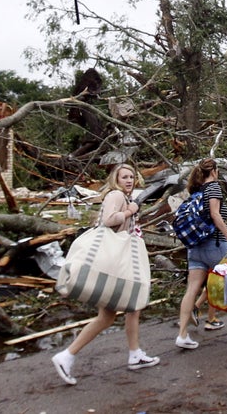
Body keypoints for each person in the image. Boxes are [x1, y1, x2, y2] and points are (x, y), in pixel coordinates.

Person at [52, 163, 159, 385]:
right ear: (115, 180)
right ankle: (67, 355)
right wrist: (130, 212)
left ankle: (133, 353)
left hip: (116, 260)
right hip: (113, 261)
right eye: (124, 177)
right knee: (122, 309)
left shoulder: (125, 197)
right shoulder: (116, 195)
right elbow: (109, 220)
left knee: (122, 311)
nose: (129, 181)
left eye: (131, 177)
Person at [174, 158, 227, 349]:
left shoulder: (195, 191)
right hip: (215, 244)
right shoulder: (213, 187)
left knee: (192, 289)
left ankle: (182, 334)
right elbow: (215, 214)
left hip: (195, 247)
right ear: (213, 171)